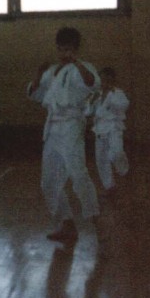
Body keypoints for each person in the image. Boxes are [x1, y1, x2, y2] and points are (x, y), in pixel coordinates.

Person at [27, 27, 101, 243]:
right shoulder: (52, 71)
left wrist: (76, 62)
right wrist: (39, 74)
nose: (63, 53)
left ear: (76, 49)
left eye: (68, 49)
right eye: (60, 49)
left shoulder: (82, 68)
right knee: (49, 181)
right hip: (53, 128)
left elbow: (92, 83)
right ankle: (67, 224)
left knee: (78, 174)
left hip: (71, 125)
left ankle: (98, 222)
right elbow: (36, 94)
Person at [86, 67, 130, 193]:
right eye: (102, 79)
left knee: (116, 152)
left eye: (106, 79)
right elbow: (87, 112)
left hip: (114, 128)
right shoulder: (97, 95)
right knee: (101, 159)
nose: (103, 82)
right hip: (99, 129)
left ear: (112, 79)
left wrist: (110, 95)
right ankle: (109, 186)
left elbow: (124, 106)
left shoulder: (117, 93)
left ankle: (123, 169)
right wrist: (92, 101)